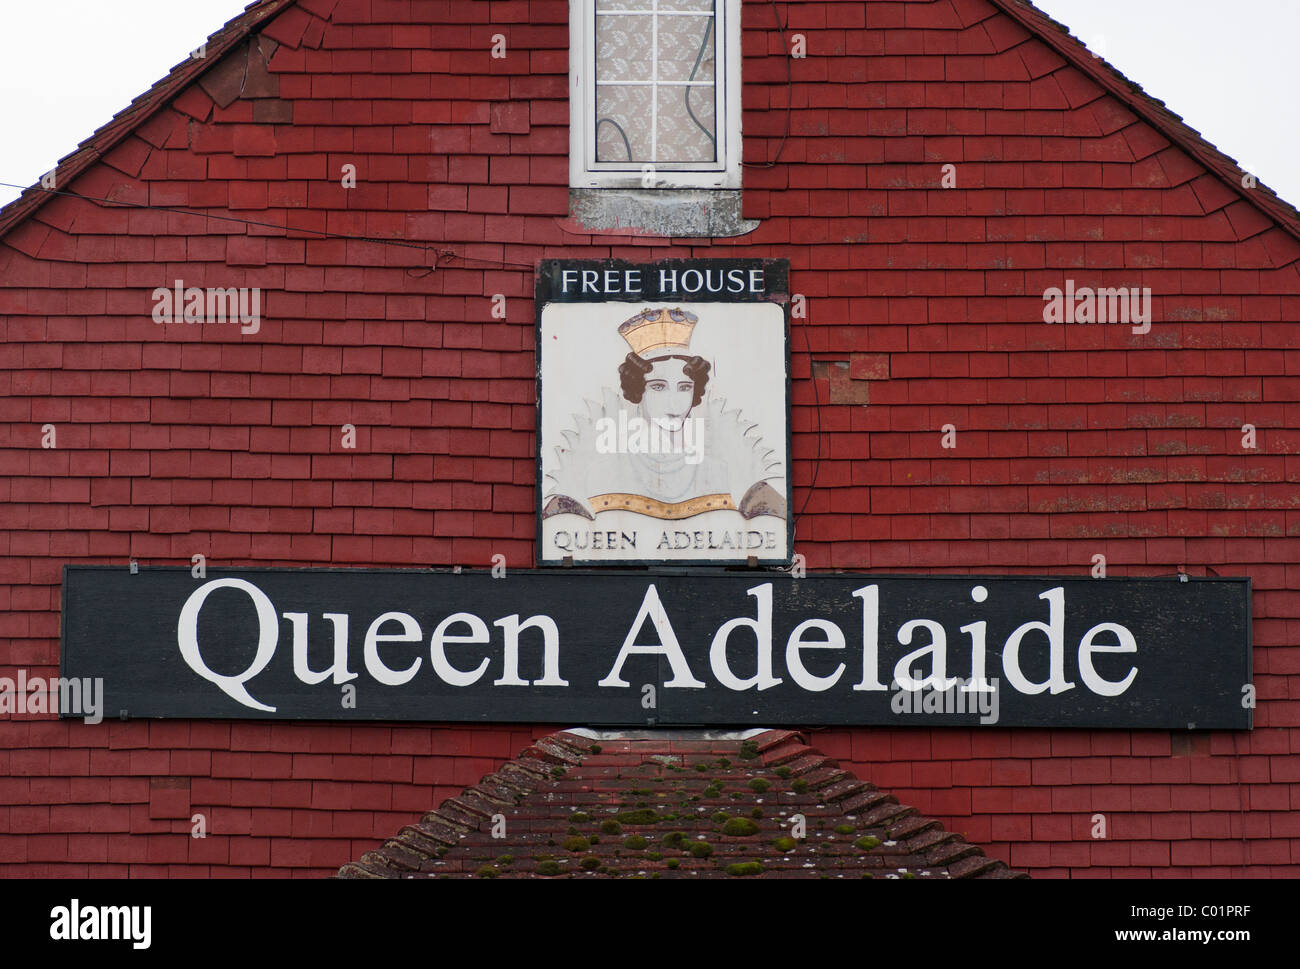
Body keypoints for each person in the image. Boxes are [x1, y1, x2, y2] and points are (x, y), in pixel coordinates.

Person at [543, 307, 786, 522]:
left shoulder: (718, 471)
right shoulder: (600, 473)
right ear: (638, 390)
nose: (674, 402)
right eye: (658, 387)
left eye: (685, 387)